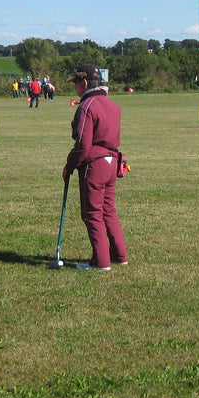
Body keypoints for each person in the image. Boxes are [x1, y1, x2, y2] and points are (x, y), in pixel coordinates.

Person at [63, 63, 128, 271]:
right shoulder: (113, 105)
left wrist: (69, 165)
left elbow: (83, 143)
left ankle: (100, 262)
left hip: (95, 165)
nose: (76, 88)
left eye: (77, 84)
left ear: (84, 82)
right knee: (108, 210)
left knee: (92, 213)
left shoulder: (88, 105)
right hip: (112, 162)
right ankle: (120, 255)